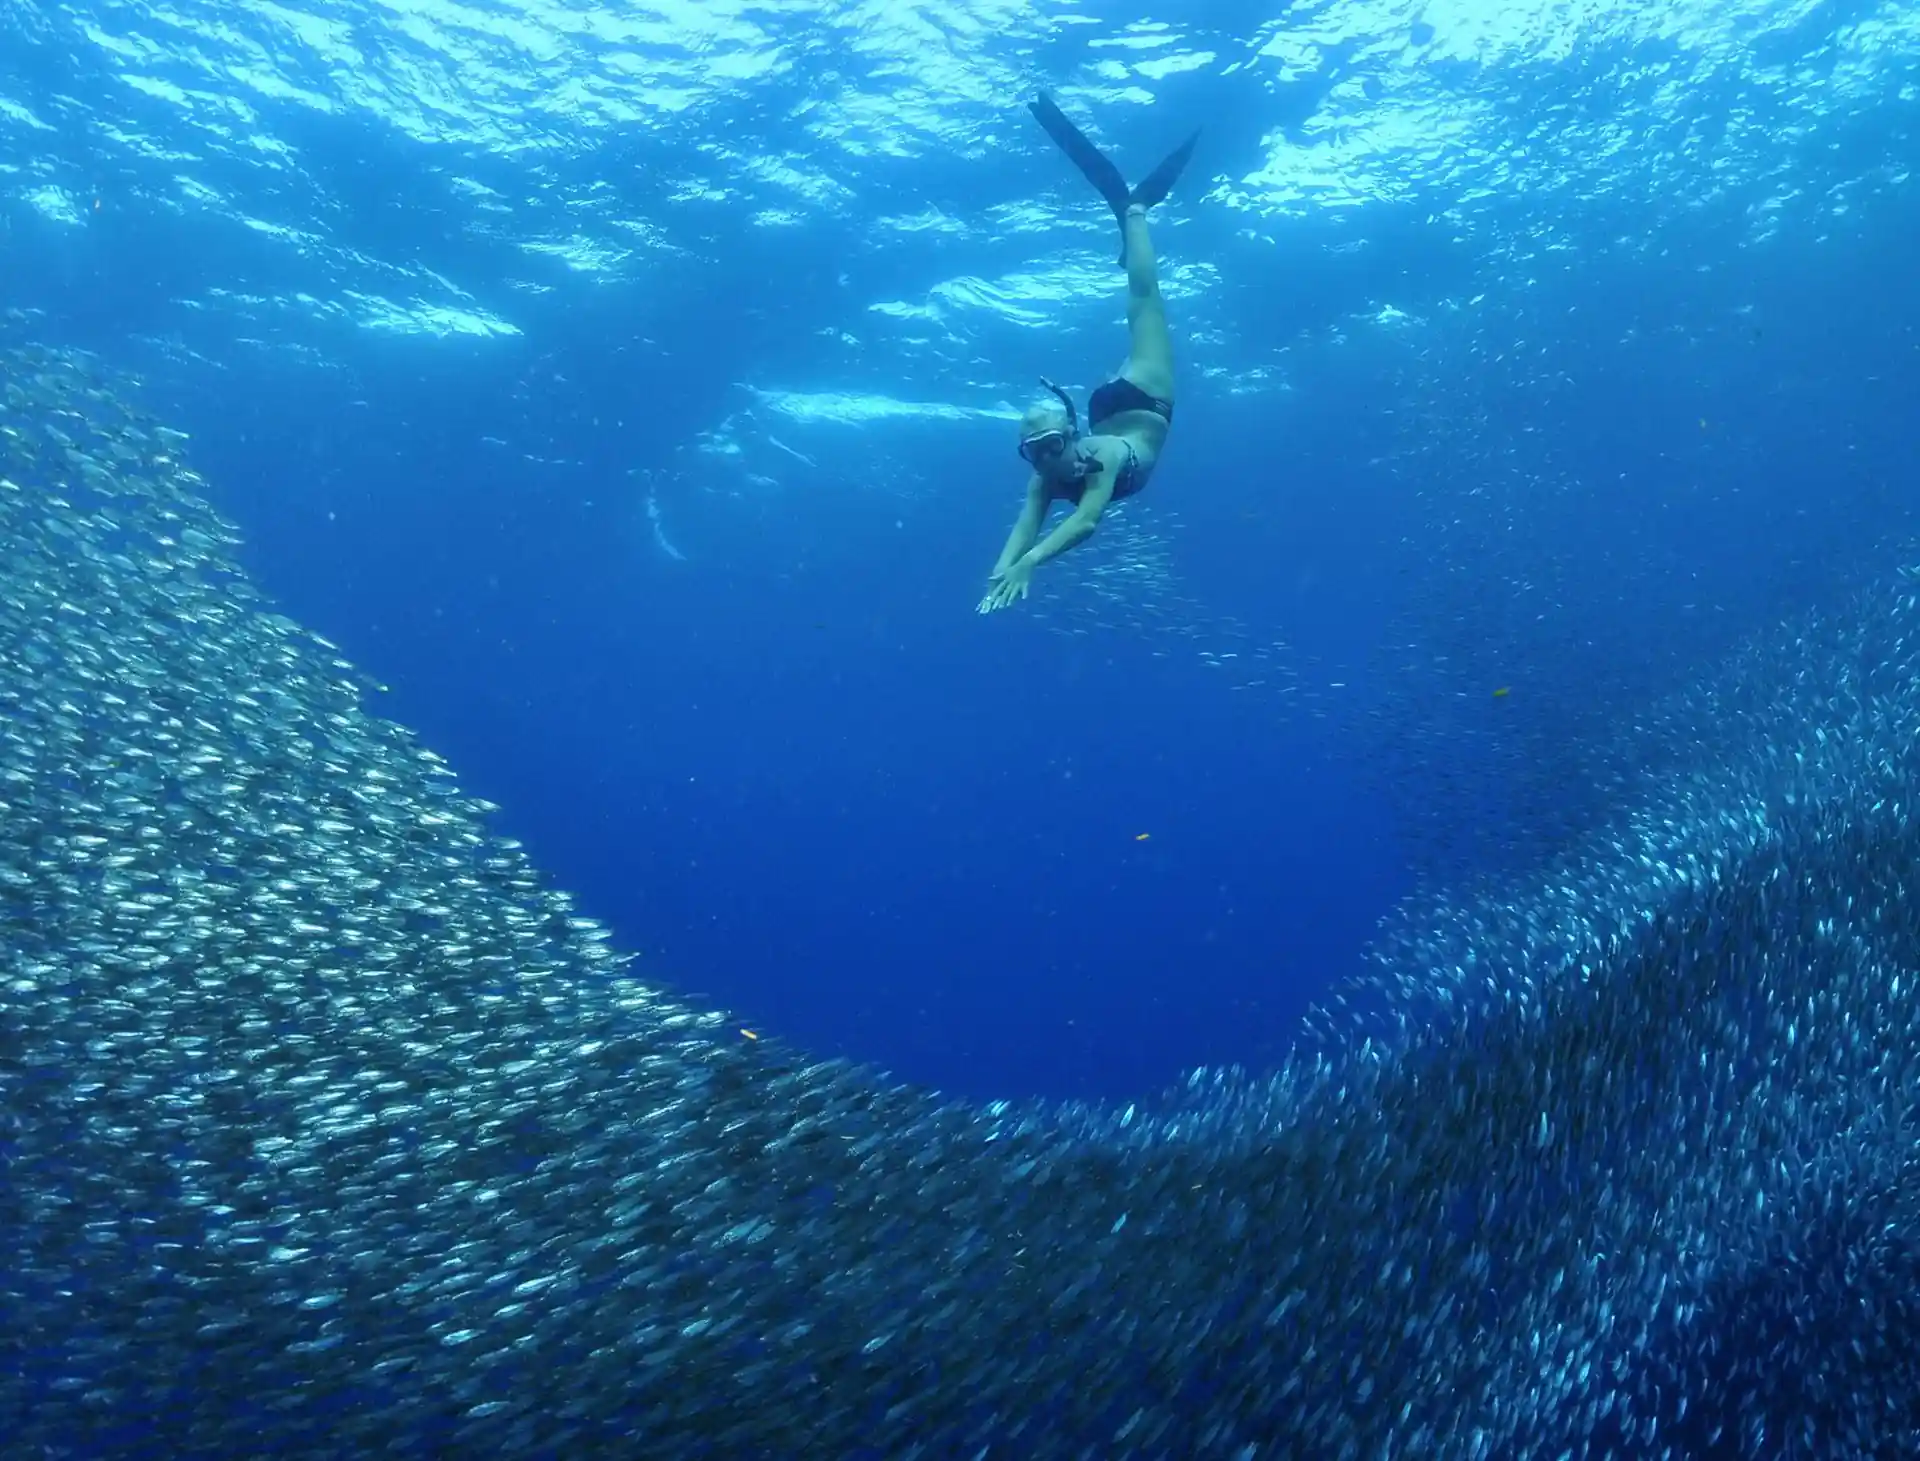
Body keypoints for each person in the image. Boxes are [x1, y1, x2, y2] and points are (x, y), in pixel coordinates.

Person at [978, 94, 1199, 614]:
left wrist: (1030, 563)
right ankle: (1131, 226)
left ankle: (1136, 212)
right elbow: (1024, 527)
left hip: (1139, 398)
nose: (1045, 459)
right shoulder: (1045, 478)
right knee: (1141, 305)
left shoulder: (1101, 458)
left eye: (1050, 446)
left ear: (1070, 435)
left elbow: (1086, 520)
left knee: (1144, 299)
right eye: (1035, 452)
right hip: (1128, 408)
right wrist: (1000, 573)